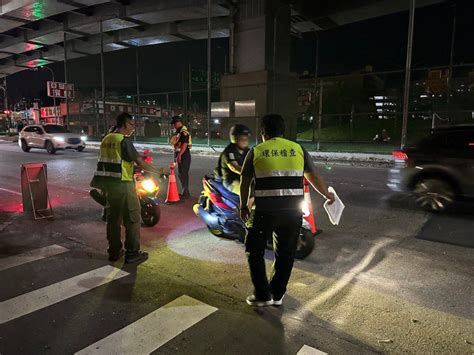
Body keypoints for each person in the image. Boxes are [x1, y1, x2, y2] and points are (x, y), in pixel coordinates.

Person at [239, 113, 335, 307]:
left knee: (254, 251)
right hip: (292, 213)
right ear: (283, 132)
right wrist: (327, 194)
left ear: (263, 132)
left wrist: (242, 205)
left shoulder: (256, 151)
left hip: (264, 211)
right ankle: (277, 294)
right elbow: (314, 177)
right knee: (286, 253)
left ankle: (262, 294)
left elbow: (245, 181)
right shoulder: (297, 149)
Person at [90, 112, 165, 263]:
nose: (133, 128)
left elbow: (116, 159)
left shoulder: (107, 139)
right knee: (132, 218)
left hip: (109, 186)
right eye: (131, 125)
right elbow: (140, 163)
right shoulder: (123, 141)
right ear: (124, 124)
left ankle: (114, 251)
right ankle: (132, 253)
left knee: (113, 220)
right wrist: (159, 171)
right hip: (123, 184)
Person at [217, 124, 251, 195]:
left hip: (243, 179)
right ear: (235, 138)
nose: (245, 141)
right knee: (249, 194)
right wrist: (251, 174)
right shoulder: (229, 151)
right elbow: (234, 167)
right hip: (231, 181)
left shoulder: (247, 151)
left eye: (246, 139)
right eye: (242, 139)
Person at [170, 115, 192, 199]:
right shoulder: (179, 132)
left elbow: (185, 144)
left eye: (174, 124)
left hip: (184, 155)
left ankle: (185, 193)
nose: (174, 126)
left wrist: (179, 155)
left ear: (179, 123)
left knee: (183, 174)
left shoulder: (184, 132)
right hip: (181, 155)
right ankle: (185, 192)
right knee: (181, 174)